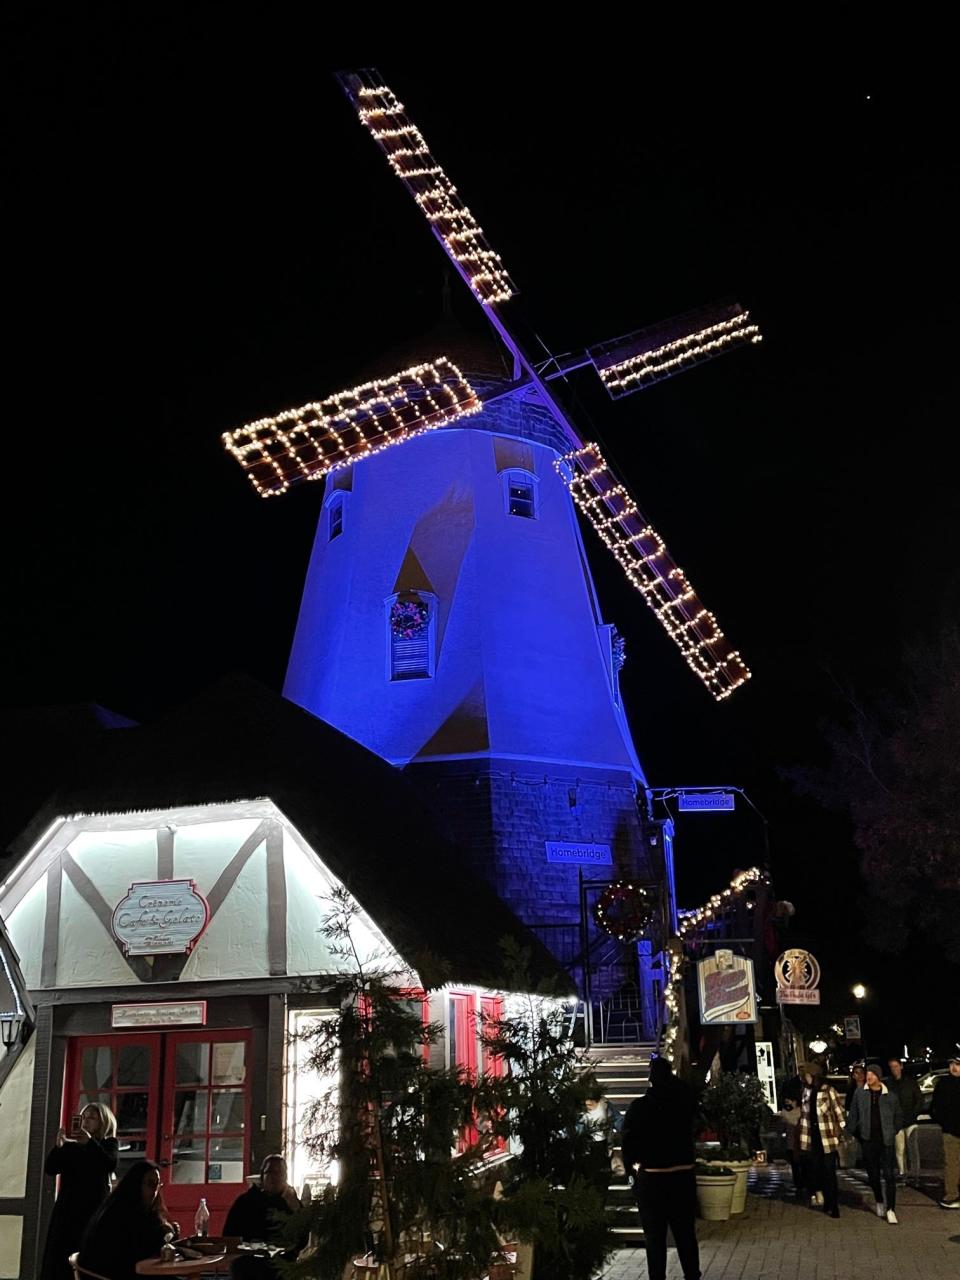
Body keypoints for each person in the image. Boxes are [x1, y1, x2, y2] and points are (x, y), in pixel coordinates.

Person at [620, 1057, 700, 1280]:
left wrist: (632, 1175)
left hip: (653, 1180)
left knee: (654, 1238)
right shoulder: (683, 1103)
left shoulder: (640, 1108)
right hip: (682, 1177)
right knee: (685, 1235)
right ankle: (692, 1275)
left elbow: (628, 1144)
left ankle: (658, 1277)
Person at [40, 1102, 119, 1280]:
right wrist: (59, 1147)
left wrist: (89, 1142)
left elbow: (109, 1164)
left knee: (87, 1252)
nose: (86, 1121)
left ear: (103, 1121)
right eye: (83, 1117)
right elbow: (51, 1168)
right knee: (59, 1256)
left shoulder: (108, 1143)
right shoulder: (72, 1146)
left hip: (92, 1207)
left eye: (91, 1117)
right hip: (67, 1208)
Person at [78, 1160, 179, 1280]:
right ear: (136, 1185)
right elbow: (139, 1251)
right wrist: (164, 1234)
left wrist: (167, 1233)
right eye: (150, 1184)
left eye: (158, 1185)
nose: (155, 1191)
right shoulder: (120, 1213)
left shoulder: (130, 1206)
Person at [225, 1155, 306, 1278]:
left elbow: (302, 1239)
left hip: (281, 1264)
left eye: (280, 1172)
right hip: (248, 1264)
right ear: (262, 1176)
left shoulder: (291, 1203)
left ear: (285, 1176)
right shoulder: (245, 1202)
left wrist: (296, 1210)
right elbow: (229, 1235)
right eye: (270, 1171)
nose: (275, 1176)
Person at [846, 1061, 902, 1223]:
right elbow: (853, 1116)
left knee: (889, 1175)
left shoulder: (889, 1095)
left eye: (872, 1074)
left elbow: (898, 1115)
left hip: (886, 1140)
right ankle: (879, 1199)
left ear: (878, 1076)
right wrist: (854, 1132)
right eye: (867, 1074)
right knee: (873, 1174)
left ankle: (891, 1208)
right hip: (868, 1140)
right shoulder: (860, 1094)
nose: (869, 1077)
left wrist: (894, 1130)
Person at [796, 1062, 845, 1218]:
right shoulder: (805, 1092)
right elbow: (804, 1116)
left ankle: (834, 1204)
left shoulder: (827, 1091)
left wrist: (842, 1131)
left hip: (827, 1137)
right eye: (805, 1076)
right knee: (818, 1172)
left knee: (829, 1172)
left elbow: (839, 1112)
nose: (806, 1078)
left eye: (808, 1075)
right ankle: (826, 1201)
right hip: (812, 1139)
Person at [579, 1084, 624, 1185]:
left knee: (599, 1175)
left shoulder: (604, 1104)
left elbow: (618, 1120)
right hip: (587, 1144)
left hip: (601, 1144)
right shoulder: (579, 1105)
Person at [930, 1054, 960, 1209]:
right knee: (951, 1164)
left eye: (957, 1064)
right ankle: (952, 1194)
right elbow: (935, 1107)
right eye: (952, 1064)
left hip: (951, 1127)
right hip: (950, 1130)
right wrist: (943, 1121)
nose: (954, 1067)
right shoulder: (943, 1084)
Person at [886, 1057, 922, 1180]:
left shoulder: (910, 1082)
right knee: (899, 1149)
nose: (894, 1069)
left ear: (901, 1066)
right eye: (891, 1067)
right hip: (897, 1122)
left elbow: (919, 1100)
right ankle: (902, 1173)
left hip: (911, 1120)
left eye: (896, 1066)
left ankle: (915, 1173)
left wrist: (914, 1113)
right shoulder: (889, 1084)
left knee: (913, 1148)